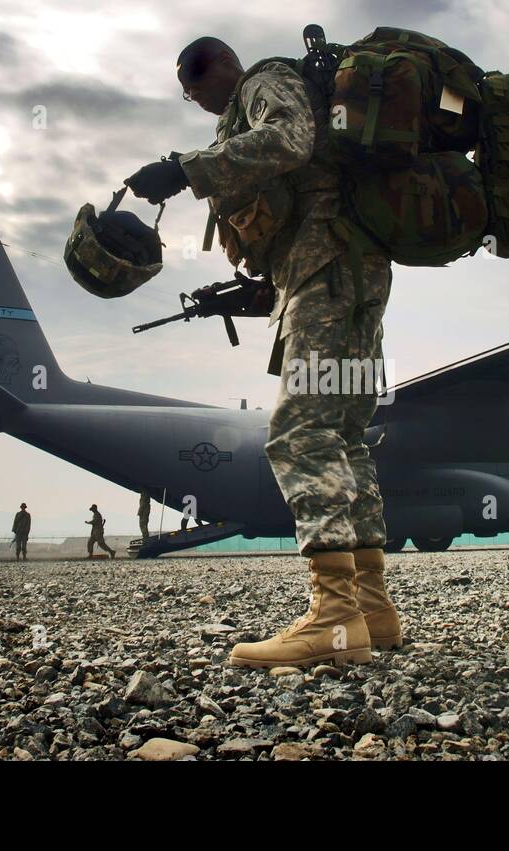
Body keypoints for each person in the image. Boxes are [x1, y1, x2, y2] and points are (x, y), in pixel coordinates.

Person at [123, 36, 401, 668]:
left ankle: (334, 619)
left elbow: (290, 140)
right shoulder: (248, 107)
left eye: (190, 77)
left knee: (300, 433)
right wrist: (260, 291)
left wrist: (186, 169)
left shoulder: (263, 84)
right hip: (343, 273)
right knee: (343, 436)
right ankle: (371, 610)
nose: (189, 93)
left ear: (219, 65)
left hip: (327, 270)